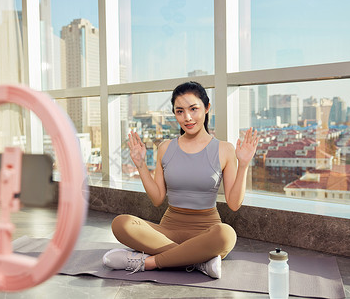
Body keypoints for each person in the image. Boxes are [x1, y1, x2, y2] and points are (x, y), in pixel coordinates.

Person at [102, 81, 259, 279]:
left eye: (194, 109)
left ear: (207, 108)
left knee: (226, 235)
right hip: (167, 231)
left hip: (207, 232)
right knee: (121, 223)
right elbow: (158, 198)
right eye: (180, 111)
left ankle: (148, 262)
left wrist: (243, 164)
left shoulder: (224, 149)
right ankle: (199, 261)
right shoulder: (165, 148)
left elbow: (234, 204)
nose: (187, 117)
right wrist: (141, 165)